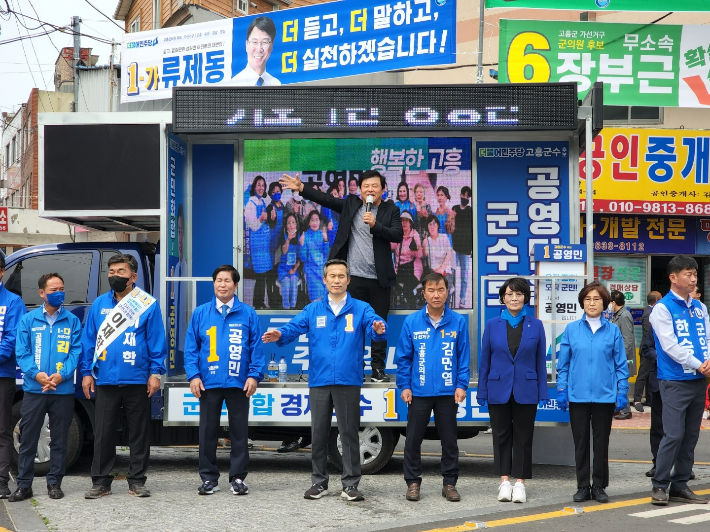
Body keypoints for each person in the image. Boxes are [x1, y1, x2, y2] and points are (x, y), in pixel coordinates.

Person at [262, 259, 387, 501]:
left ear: (348, 280)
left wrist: (378, 328)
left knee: (349, 434)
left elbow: (374, 326)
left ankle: (350, 485)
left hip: (349, 380)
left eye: (342, 276)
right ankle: (319, 483)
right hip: (319, 380)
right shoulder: (313, 309)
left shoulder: (361, 308)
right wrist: (279, 334)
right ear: (325, 280)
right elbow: (292, 328)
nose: (337, 280)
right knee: (318, 434)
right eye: (333, 276)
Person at [280, 170, 403, 382]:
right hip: (353, 277)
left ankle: (378, 368)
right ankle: (355, 367)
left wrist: (376, 225)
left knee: (378, 324)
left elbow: (398, 235)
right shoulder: (352, 204)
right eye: (366, 186)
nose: (370, 189)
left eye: (374, 186)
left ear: (383, 190)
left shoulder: (390, 209)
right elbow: (326, 199)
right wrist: (301, 188)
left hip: (379, 279)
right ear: (361, 189)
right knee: (353, 326)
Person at [80, 253, 167, 499]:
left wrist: (155, 373)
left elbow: (156, 341)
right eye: (111, 272)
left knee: (139, 432)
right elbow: (89, 341)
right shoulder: (99, 305)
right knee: (103, 433)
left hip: (137, 378)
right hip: (106, 378)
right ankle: (101, 482)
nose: (115, 276)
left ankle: (137, 480)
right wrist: (87, 372)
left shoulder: (147, 303)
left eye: (121, 271)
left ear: (133, 276)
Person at [184, 265, 264, 496]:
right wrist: (194, 376)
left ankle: (238, 478)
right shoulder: (200, 313)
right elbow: (191, 349)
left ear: (236, 285)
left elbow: (256, 348)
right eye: (218, 280)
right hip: (208, 383)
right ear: (214, 283)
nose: (222, 284)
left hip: (239, 383)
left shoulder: (248, 313)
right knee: (207, 432)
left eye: (227, 280)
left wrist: (253, 376)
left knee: (239, 432)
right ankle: (209, 478)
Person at [395, 273, 470, 502]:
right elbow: (404, 358)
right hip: (419, 392)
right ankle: (413, 483)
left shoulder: (458, 321)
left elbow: (463, 357)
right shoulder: (412, 321)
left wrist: (461, 384)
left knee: (449, 440)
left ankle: (449, 483)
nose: (436, 294)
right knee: (413, 440)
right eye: (431, 290)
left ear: (448, 292)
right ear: (424, 293)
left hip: (448, 393)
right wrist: (404, 386)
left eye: (440, 290)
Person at [9, 273, 81, 502]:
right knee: (28, 438)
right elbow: (22, 352)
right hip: (34, 389)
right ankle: (24, 485)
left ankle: (54, 483)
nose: (59, 293)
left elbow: (76, 351)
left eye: (61, 288)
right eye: (53, 290)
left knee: (59, 439)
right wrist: (37, 375)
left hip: (62, 390)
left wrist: (61, 375)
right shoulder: (28, 320)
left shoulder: (72, 321)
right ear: (42, 293)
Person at [556, 280, 629, 504]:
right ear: (582, 303)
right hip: (577, 395)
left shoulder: (613, 331)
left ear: (605, 302)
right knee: (580, 443)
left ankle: (598, 486)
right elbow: (564, 364)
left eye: (596, 299)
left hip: (605, 396)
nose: (592, 303)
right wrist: (562, 388)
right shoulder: (571, 329)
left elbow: (620, 365)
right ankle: (582, 486)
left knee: (601, 443)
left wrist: (622, 391)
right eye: (587, 299)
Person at [477, 277, 548, 504]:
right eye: (509, 294)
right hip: (498, 387)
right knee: (500, 436)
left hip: (526, 388)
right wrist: (482, 391)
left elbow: (540, 362)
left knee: (524, 437)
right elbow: (485, 361)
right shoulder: (492, 325)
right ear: (503, 298)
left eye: (518, 294)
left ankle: (520, 484)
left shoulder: (535, 325)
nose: (514, 298)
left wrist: (543, 392)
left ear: (525, 297)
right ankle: (504, 482)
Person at [649, 255, 710, 506]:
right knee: (673, 434)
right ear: (673, 278)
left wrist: (708, 362)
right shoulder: (662, 308)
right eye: (688, 273)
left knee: (691, 436)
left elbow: (707, 337)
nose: (694, 278)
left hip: (699, 380)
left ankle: (680, 484)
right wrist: (699, 364)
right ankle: (660, 484)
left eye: (695, 273)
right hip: (674, 380)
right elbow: (670, 345)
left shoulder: (700, 307)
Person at [0, 253, 27, 499]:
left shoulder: (13, 302)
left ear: (1, 272)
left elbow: (11, 339)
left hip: (2, 375)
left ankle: (0, 482)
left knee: (2, 429)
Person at [245, 176, 272, 309]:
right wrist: (261, 219)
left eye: (263, 185)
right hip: (258, 245)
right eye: (259, 185)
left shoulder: (263, 202)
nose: (261, 188)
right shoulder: (250, 204)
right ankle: (257, 303)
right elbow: (252, 225)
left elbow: (265, 221)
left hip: (265, 245)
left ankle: (260, 302)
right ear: (254, 187)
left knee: (264, 275)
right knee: (260, 275)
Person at [609, 290, 637, 420]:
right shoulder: (617, 315)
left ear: (614, 302)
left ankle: (626, 410)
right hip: (617, 356)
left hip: (622, 358)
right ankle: (619, 408)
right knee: (616, 382)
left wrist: (621, 358)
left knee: (621, 382)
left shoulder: (624, 316)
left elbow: (628, 340)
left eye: (609, 302)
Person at [232, 16, 280, 86]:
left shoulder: (276, 84)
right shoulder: (234, 85)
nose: (259, 49)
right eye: (254, 42)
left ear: (272, 45)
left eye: (264, 42)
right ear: (246, 45)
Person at [634, 291, 662, 414]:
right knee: (643, 374)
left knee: (650, 375)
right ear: (656, 300)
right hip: (647, 350)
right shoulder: (648, 313)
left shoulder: (654, 312)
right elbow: (647, 334)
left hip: (652, 350)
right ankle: (637, 400)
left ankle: (650, 399)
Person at [391, 211, 423, 308]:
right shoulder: (397, 234)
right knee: (387, 283)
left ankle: (413, 311)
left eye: (406, 221)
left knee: (407, 290)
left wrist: (414, 249)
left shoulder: (415, 235)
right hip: (400, 269)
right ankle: (407, 297)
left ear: (410, 223)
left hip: (413, 270)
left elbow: (420, 255)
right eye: (402, 221)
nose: (404, 223)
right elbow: (391, 247)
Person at [299, 210, 329, 302]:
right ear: (309, 222)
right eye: (312, 220)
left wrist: (325, 241)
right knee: (316, 301)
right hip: (311, 271)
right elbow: (303, 258)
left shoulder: (321, 234)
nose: (315, 223)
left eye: (317, 220)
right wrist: (302, 245)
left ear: (320, 222)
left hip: (322, 270)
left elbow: (325, 253)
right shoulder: (305, 235)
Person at [451, 187, 472, 308]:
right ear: (460, 195)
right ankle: (450, 297)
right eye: (463, 195)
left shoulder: (471, 210)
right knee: (452, 274)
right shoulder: (455, 208)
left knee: (464, 275)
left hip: (466, 248)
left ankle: (462, 298)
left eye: (467, 196)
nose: (465, 197)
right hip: (454, 247)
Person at [266, 182, 285, 309]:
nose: (276, 193)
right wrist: (271, 218)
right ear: (270, 194)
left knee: (279, 271)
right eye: (273, 192)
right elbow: (269, 222)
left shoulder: (283, 205)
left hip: (281, 242)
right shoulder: (270, 207)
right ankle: (271, 299)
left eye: (278, 191)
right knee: (271, 273)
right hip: (271, 243)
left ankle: (278, 297)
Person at [278, 213, 301, 310]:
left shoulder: (300, 237)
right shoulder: (283, 235)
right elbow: (284, 251)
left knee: (294, 280)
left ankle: (293, 306)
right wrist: (288, 239)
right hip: (283, 268)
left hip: (294, 268)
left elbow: (301, 257)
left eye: (293, 222)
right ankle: (286, 306)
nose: (291, 225)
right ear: (286, 225)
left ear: (296, 224)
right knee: (286, 281)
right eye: (288, 223)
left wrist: (295, 269)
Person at [423, 214, 454, 287]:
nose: (432, 226)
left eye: (434, 224)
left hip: (445, 270)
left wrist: (442, 268)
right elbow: (425, 255)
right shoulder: (427, 240)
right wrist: (424, 245)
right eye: (430, 224)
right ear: (427, 227)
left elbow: (449, 255)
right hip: (433, 272)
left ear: (438, 226)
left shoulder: (444, 237)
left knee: (444, 287)